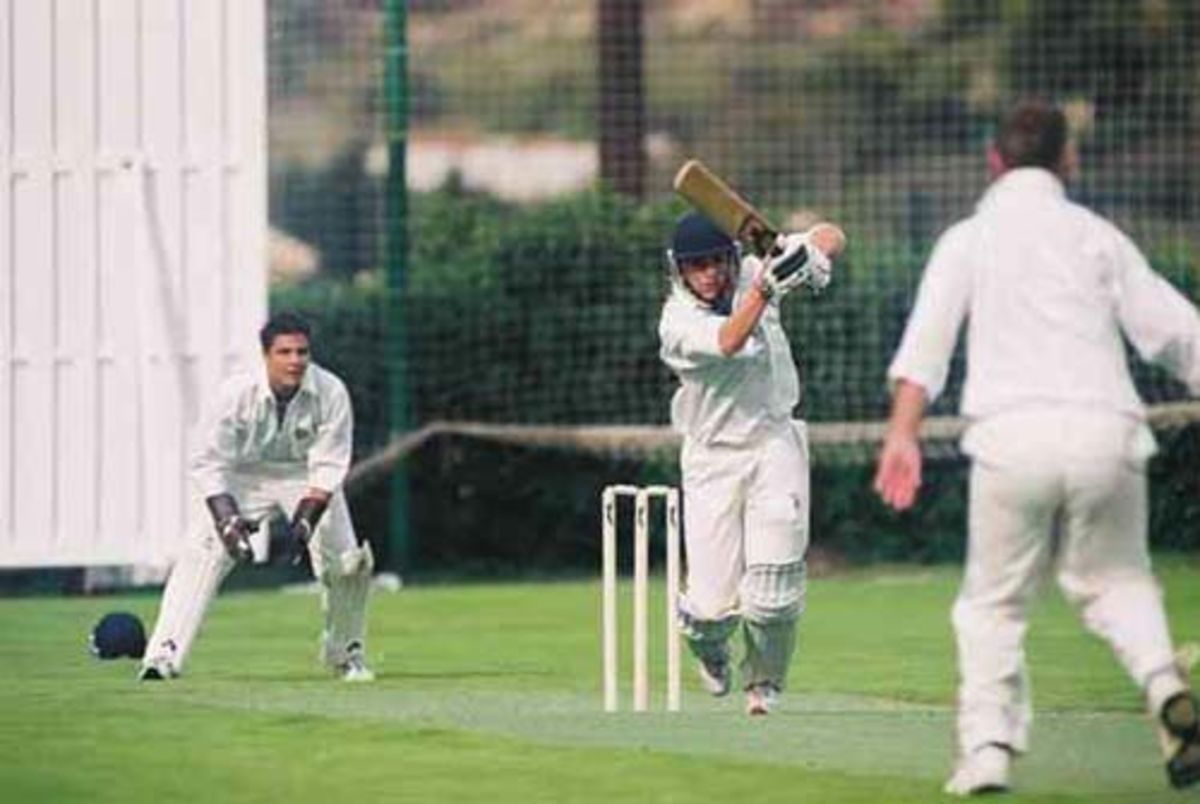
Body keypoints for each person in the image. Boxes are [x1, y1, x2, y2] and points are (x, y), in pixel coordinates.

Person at [874, 100, 1200, 794]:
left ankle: (988, 750)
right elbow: (1175, 333)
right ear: (1067, 159)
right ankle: (1162, 683)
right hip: (1108, 431)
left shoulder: (968, 238)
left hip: (1011, 437)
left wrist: (901, 434)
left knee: (993, 604)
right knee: (1119, 581)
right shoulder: (1096, 236)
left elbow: (925, 348)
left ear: (994, 162)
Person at [658, 210, 845, 715]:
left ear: (732, 256)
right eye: (698, 266)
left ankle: (765, 684)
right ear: (680, 271)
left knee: (775, 591)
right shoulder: (676, 323)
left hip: (774, 441)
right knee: (711, 610)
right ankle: (711, 649)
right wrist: (766, 289)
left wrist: (806, 254)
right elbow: (728, 340)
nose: (712, 274)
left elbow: (832, 234)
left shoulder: (753, 268)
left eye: (718, 261)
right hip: (712, 460)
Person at [139, 312, 375, 683]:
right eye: (285, 352)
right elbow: (207, 461)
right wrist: (226, 518)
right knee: (201, 553)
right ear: (266, 355)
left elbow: (329, 465)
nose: (295, 361)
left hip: (304, 475)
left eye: (302, 352)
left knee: (348, 562)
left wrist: (305, 520)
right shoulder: (235, 394)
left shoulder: (331, 391)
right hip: (243, 475)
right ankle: (162, 655)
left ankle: (345, 654)